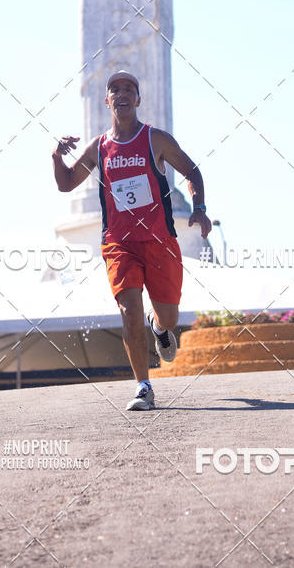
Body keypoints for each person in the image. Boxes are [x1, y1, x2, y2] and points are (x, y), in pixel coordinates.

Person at [52, 70, 211, 411]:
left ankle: (160, 328)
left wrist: (199, 208)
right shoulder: (99, 147)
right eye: (115, 89)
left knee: (168, 316)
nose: (122, 93)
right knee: (128, 310)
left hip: (159, 242)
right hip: (119, 244)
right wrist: (56, 156)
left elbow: (192, 171)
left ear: (138, 99)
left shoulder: (157, 139)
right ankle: (143, 386)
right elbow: (66, 183)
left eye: (129, 89)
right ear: (107, 100)